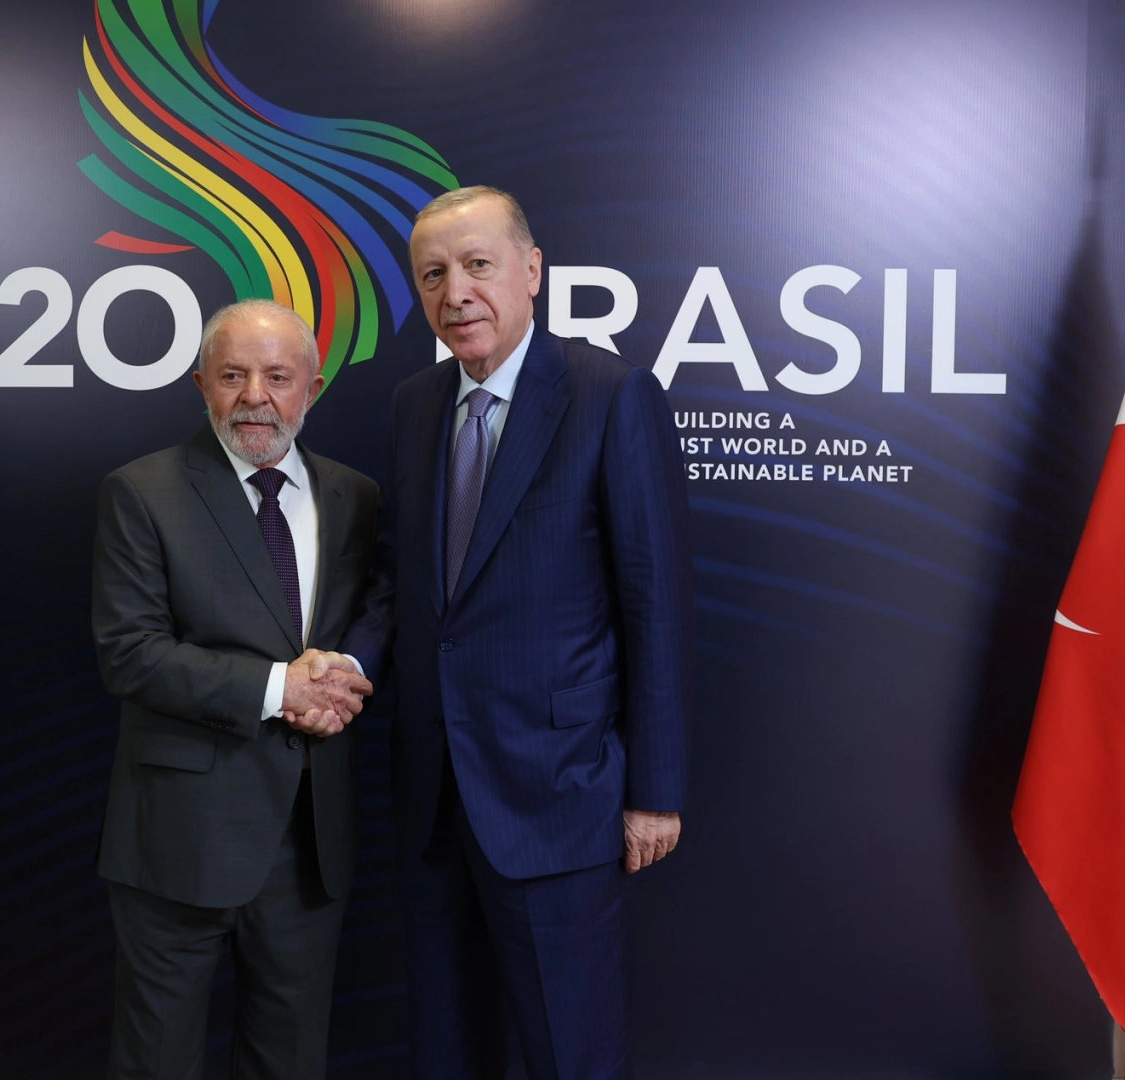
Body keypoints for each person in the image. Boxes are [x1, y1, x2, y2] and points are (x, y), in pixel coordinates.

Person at [337, 186, 696, 1079]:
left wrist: (654, 791)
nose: (455, 292)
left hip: (558, 794)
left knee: (568, 1055)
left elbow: (654, 602)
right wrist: (349, 665)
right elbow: (401, 578)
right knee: (445, 1050)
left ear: (531, 271)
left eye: (477, 265)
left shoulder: (609, 395)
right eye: (432, 275)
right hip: (432, 796)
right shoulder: (413, 404)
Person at [91, 298, 378, 1080]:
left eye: (278, 377)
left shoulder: (356, 496)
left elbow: (374, 620)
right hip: (178, 836)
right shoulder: (141, 492)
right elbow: (129, 654)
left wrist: (343, 678)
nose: (256, 396)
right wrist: (282, 688)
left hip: (309, 842)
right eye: (232, 376)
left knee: (289, 1062)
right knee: (155, 1063)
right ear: (201, 386)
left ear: (312, 388)